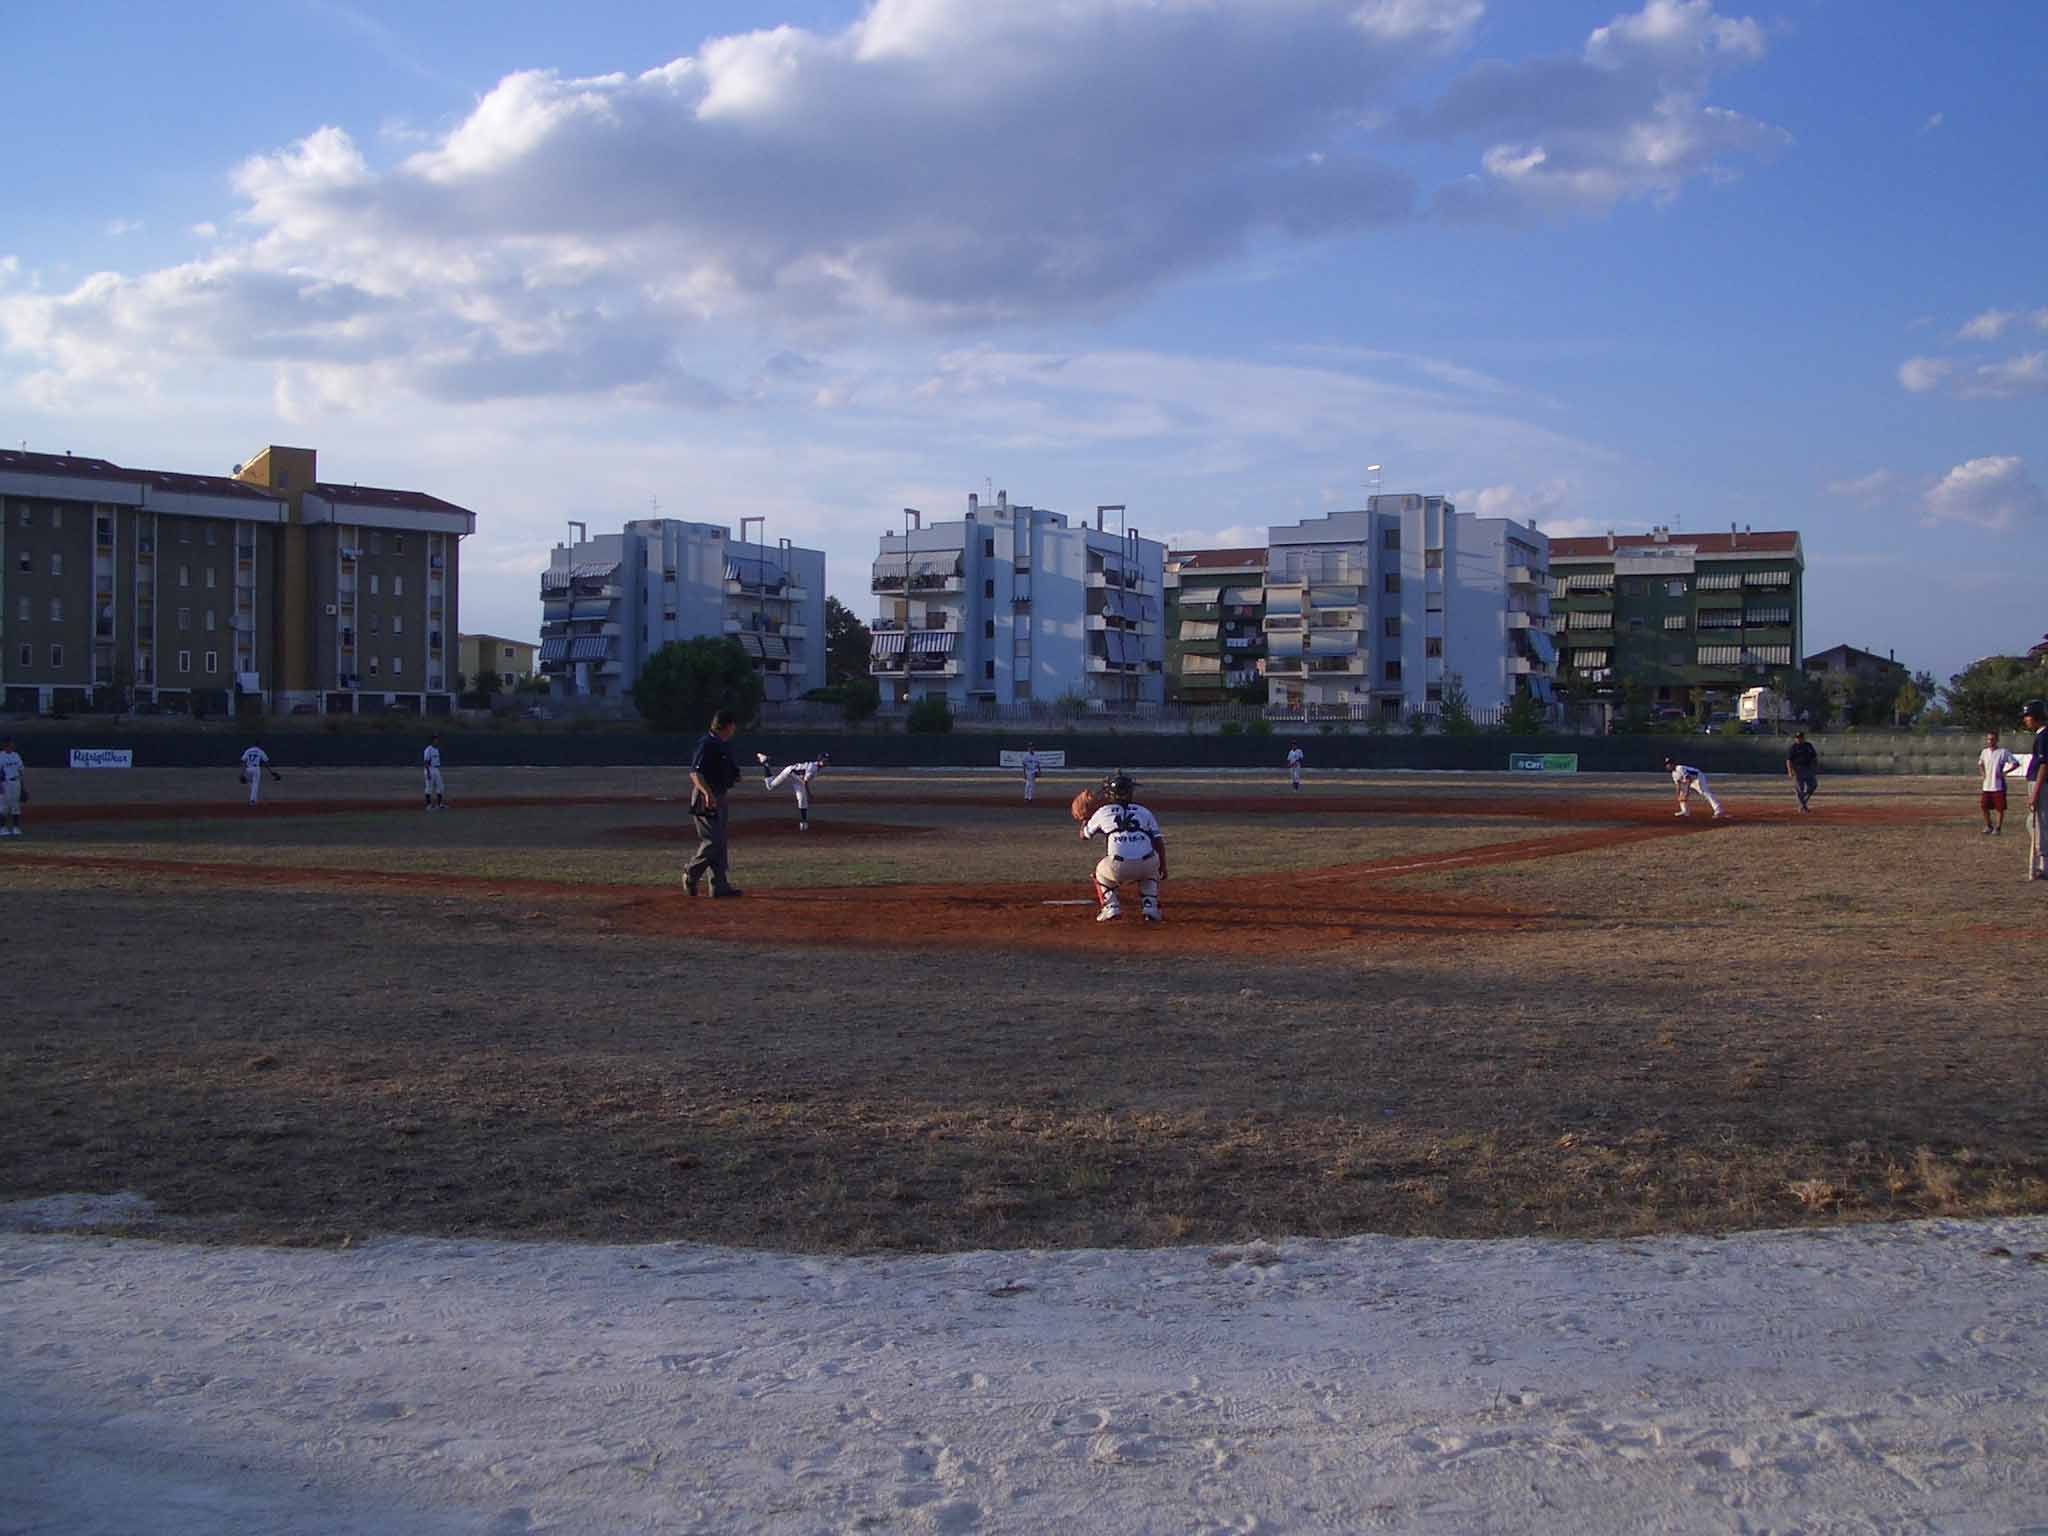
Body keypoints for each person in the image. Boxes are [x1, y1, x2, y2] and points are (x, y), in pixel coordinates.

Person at [1079, 770, 1167, 923]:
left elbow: (1084, 835)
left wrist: (1085, 819)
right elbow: (1158, 842)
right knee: (1151, 869)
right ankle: (1150, 907)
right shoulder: (1144, 811)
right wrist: (1163, 866)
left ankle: (1111, 907)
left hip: (1118, 867)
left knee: (1100, 872)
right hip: (1147, 864)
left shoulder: (1102, 812)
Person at [685, 708, 744, 897]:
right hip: (706, 797)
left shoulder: (722, 744)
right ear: (727, 726)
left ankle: (719, 886)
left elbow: (727, 769)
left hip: (720, 795)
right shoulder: (707, 743)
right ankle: (691, 872)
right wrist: (707, 793)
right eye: (733, 725)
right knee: (714, 841)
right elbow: (695, 772)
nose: (734, 729)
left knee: (720, 842)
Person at [757, 751, 828, 831]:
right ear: (820, 760)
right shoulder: (813, 768)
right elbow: (805, 782)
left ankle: (803, 823)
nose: (826, 762)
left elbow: (803, 780)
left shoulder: (816, 766)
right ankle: (765, 764)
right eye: (825, 760)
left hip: (798, 779)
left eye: (827, 760)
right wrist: (809, 794)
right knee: (770, 786)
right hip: (789, 773)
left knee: (802, 799)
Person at [1978, 729, 2020, 836]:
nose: (1990, 741)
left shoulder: (2003, 752)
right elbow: (1980, 763)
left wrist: (2004, 773)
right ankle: (1988, 826)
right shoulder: (1984, 752)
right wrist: (1983, 774)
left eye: (1992, 739)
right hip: (1987, 785)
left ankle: (1998, 828)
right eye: (1988, 739)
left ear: (1997, 740)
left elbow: (2015, 763)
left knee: (1999, 808)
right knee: (1983, 806)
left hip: (1998, 786)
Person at [2024, 700, 2048, 880]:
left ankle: (2044, 866)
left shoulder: (2044, 736)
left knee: (2040, 823)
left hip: (2040, 785)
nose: (2025, 720)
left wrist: (2034, 793)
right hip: (2036, 784)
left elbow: (2044, 766)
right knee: (2032, 822)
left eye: (2027, 716)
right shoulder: (2041, 736)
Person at [1785, 731, 1819, 813]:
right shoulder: (1793, 747)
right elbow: (1789, 760)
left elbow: (1814, 757)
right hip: (1798, 769)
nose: (1799, 739)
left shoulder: (1808, 745)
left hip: (1808, 769)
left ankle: (1803, 801)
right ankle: (1803, 806)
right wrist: (1790, 771)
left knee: (1813, 785)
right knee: (1800, 789)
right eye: (1797, 738)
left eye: (1800, 737)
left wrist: (1815, 768)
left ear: (1803, 738)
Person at [0, 736, 25, 837]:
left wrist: (22, 786)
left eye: (12, 744)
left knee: (16, 805)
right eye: (10, 744)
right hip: (5, 783)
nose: (12, 745)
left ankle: (16, 828)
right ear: (6, 745)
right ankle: (2, 828)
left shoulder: (16, 755)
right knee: (3, 807)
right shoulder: (1, 756)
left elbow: (20, 771)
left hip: (16, 783)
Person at [422, 734, 447, 812]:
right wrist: (428, 773)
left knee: (440, 787)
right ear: (432, 741)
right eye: (435, 740)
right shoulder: (428, 749)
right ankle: (428, 806)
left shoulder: (436, 749)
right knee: (429, 787)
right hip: (429, 769)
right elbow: (426, 762)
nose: (437, 741)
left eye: (437, 739)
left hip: (436, 769)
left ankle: (439, 805)